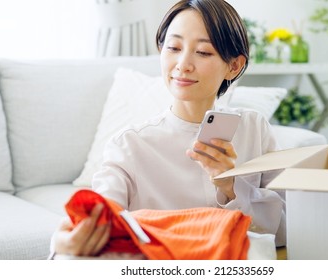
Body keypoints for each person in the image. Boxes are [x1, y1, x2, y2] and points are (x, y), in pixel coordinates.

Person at [53, 0, 285, 257]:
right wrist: (63, 242)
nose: (183, 64)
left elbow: (285, 229)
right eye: (173, 47)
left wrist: (231, 186)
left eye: (203, 52)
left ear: (234, 66)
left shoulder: (254, 129)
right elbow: (98, 217)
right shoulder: (130, 144)